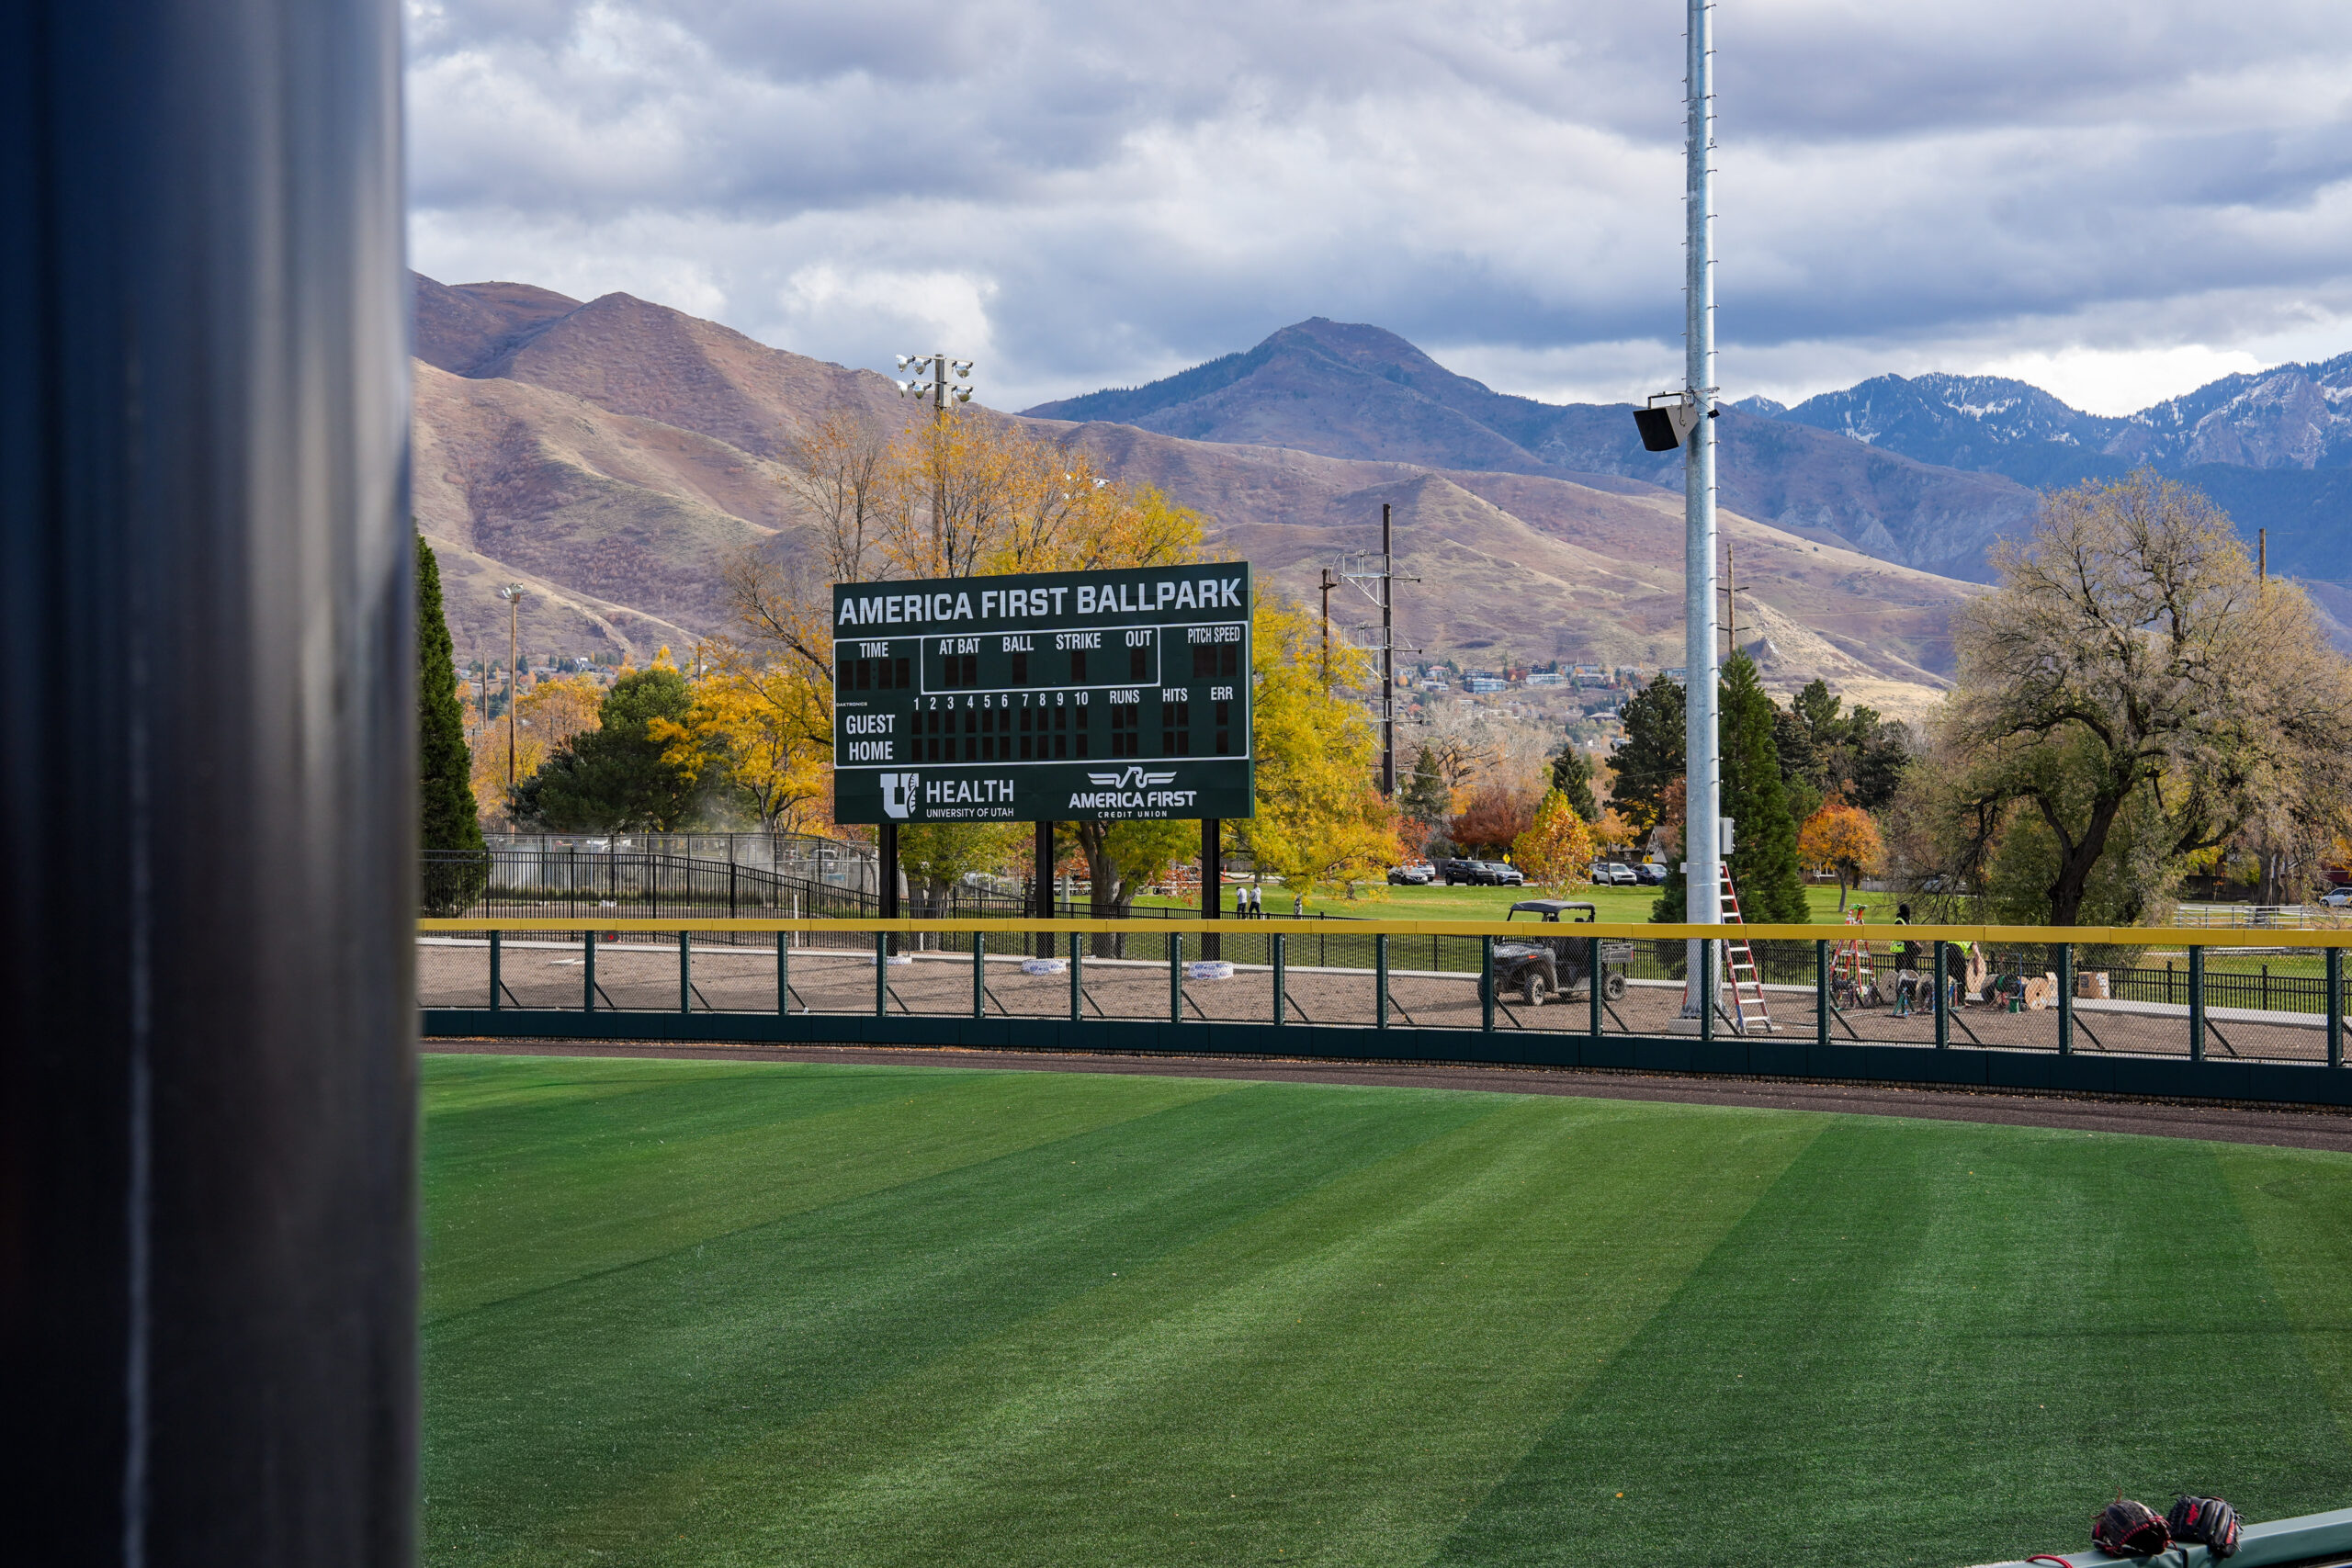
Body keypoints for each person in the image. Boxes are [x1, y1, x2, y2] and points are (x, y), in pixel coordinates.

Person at [1890, 903, 1917, 1017]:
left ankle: (1912, 993)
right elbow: (1903, 936)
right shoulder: (1899, 921)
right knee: (1900, 973)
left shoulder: (1907, 921)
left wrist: (1915, 943)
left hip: (1909, 950)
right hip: (1902, 951)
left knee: (1912, 971)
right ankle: (1899, 995)